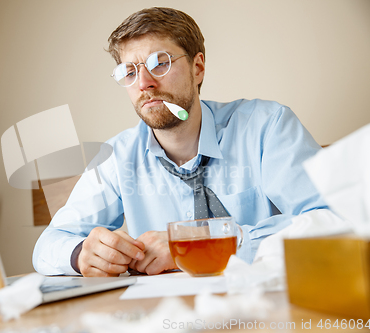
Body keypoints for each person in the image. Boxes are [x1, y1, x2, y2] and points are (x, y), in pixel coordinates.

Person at [32, 7, 327, 277]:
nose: (144, 83)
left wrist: (201, 245)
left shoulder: (267, 126)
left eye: (159, 63)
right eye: (129, 72)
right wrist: (80, 254)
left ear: (197, 68)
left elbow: (332, 221)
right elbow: (49, 244)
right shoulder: (117, 157)